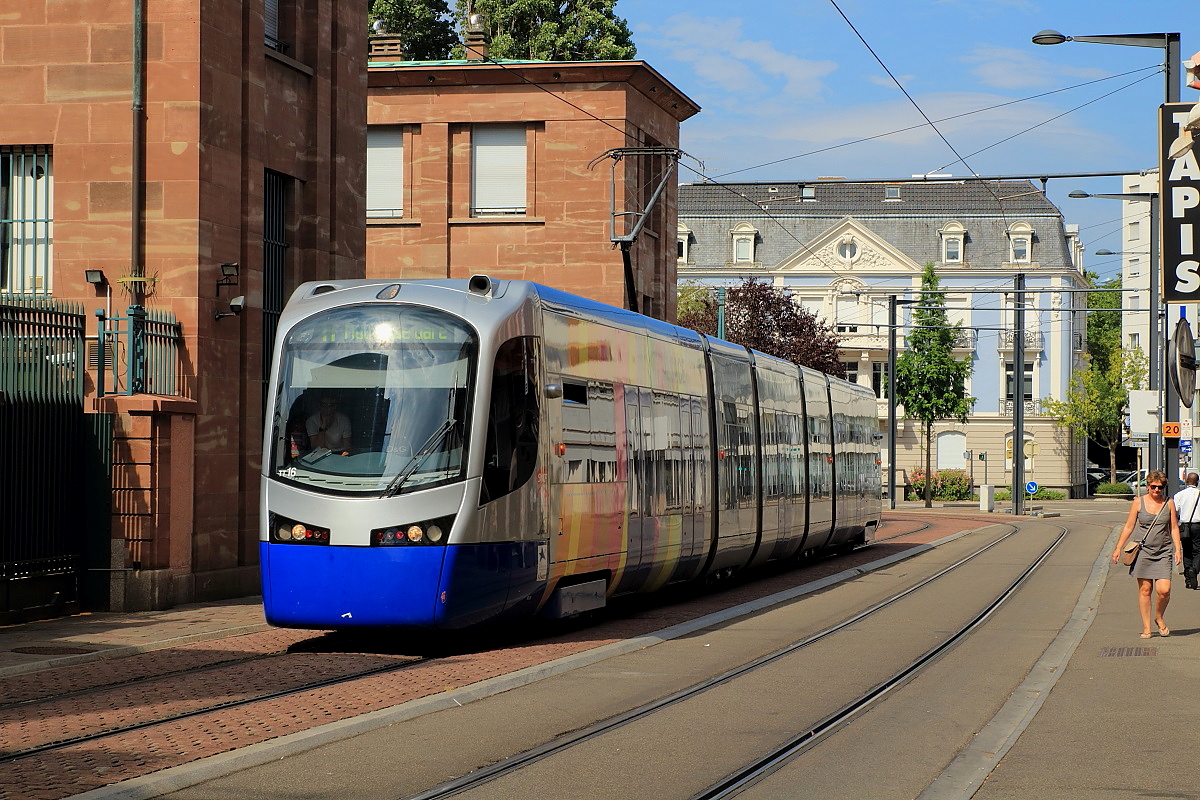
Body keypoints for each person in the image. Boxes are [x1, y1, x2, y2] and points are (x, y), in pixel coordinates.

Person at [1112, 469, 1183, 638]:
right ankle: (1146, 628)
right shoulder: (1138, 502)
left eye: (1160, 487)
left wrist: (1178, 549)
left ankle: (1158, 617)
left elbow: (1173, 527)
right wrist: (1118, 548)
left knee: (1164, 590)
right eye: (1153, 487)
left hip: (1163, 551)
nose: (1157, 490)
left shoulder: (1169, 503)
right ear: (1147, 486)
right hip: (1142, 550)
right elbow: (1129, 526)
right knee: (1145, 589)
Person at [1173, 471, 1200, 589]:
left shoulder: (1179, 495)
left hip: (1184, 525)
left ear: (1187, 481)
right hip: (1198, 525)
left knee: (1187, 551)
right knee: (1198, 550)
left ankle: (1188, 579)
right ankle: (1195, 569)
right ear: (1197, 482)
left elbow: (1175, 511)